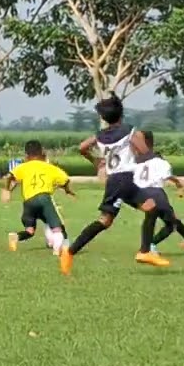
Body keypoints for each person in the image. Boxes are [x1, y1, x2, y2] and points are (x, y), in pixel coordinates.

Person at [58, 97, 150, 275]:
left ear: (103, 117)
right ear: (121, 113)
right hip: (125, 179)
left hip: (116, 180)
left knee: (145, 209)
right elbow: (145, 153)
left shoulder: (100, 135)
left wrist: (96, 161)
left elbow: (82, 147)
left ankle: (69, 252)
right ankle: (145, 251)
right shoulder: (129, 131)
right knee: (148, 208)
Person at [3, 140, 76, 255]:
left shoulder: (23, 167)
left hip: (28, 202)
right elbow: (65, 180)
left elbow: (10, 176)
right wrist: (67, 190)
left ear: (26, 155)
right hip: (44, 199)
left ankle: (16, 236)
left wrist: (7, 190)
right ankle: (58, 249)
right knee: (57, 227)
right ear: (42, 152)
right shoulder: (49, 167)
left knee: (30, 231)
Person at [132, 131, 184, 265]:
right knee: (172, 224)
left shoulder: (134, 162)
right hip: (156, 193)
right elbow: (167, 175)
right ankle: (149, 247)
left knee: (151, 219)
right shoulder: (160, 162)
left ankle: (147, 248)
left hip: (139, 195)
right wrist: (178, 182)